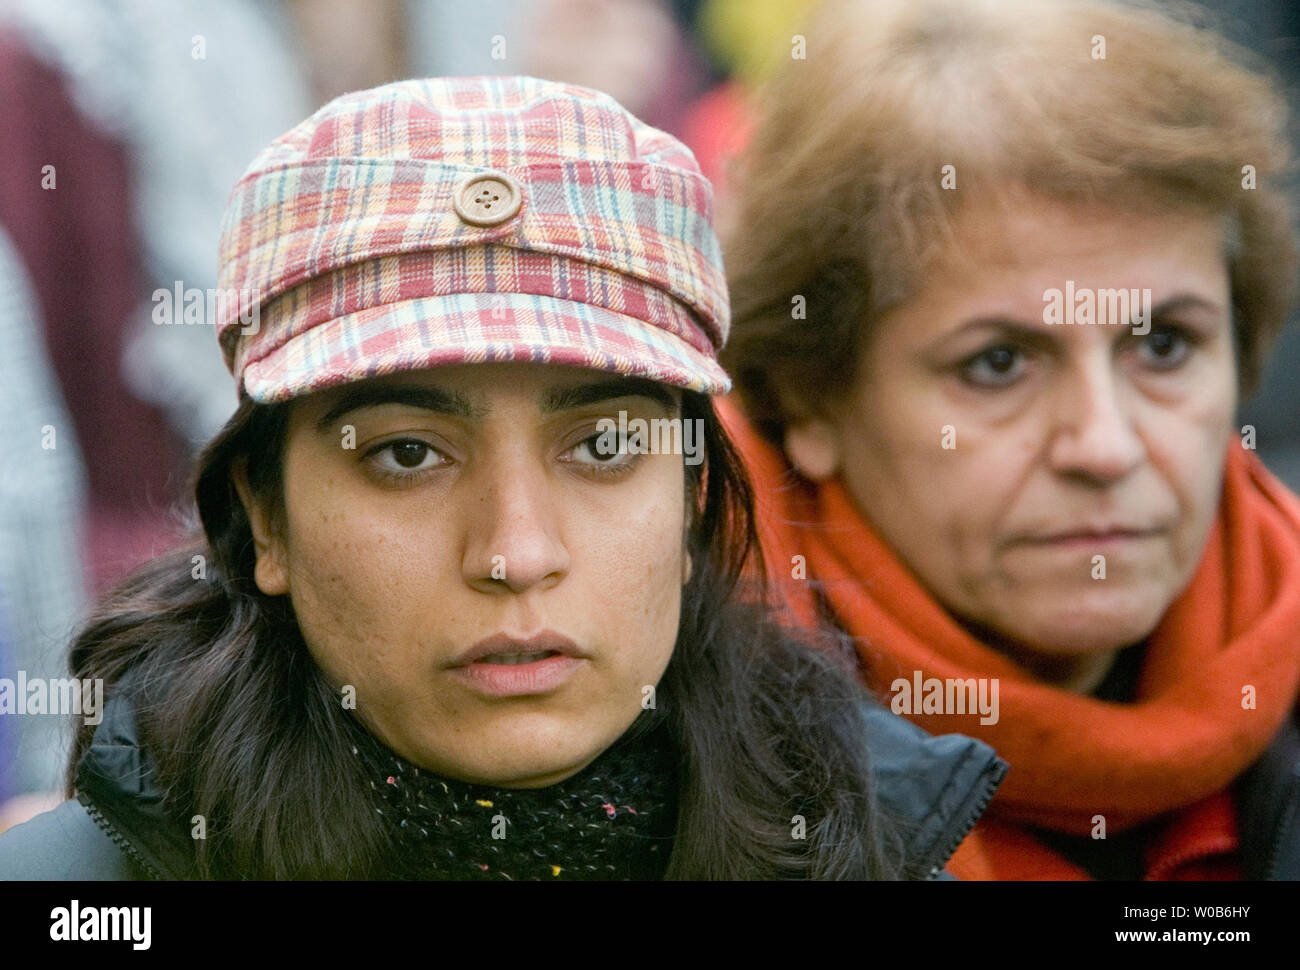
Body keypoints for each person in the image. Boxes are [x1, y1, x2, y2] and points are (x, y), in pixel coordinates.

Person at [0, 75, 1004, 880]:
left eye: (604, 448)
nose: (516, 553)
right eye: (406, 454)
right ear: (266, 519)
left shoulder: (873, 854)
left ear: (694, 498)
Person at [718, 0, 1300, 880]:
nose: (1105, 447)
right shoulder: (660, 751)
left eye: (1164, 345)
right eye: (997, 363)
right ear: (811, 398)